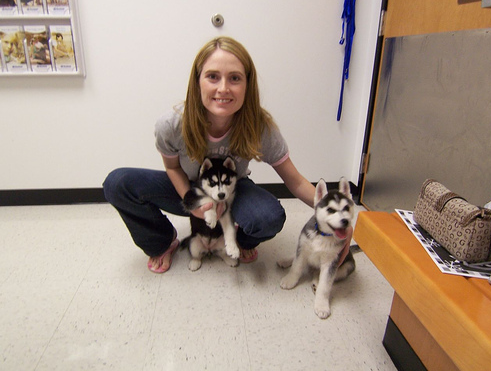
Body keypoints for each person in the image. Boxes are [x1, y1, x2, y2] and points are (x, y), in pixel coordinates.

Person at [103, 36, 347, 273]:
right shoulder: (171, 125)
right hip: (188, 188)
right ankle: (163, 242)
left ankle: (240, 241)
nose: (223, 88)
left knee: (268, 217)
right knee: (118, 183)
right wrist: (194, 203)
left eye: (235, 78)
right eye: (212, 77)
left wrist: (339, 220)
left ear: (247, 85)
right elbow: (172, 168)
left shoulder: (259, 126)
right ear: (197, 80)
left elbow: (295, 182)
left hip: (233, 189)